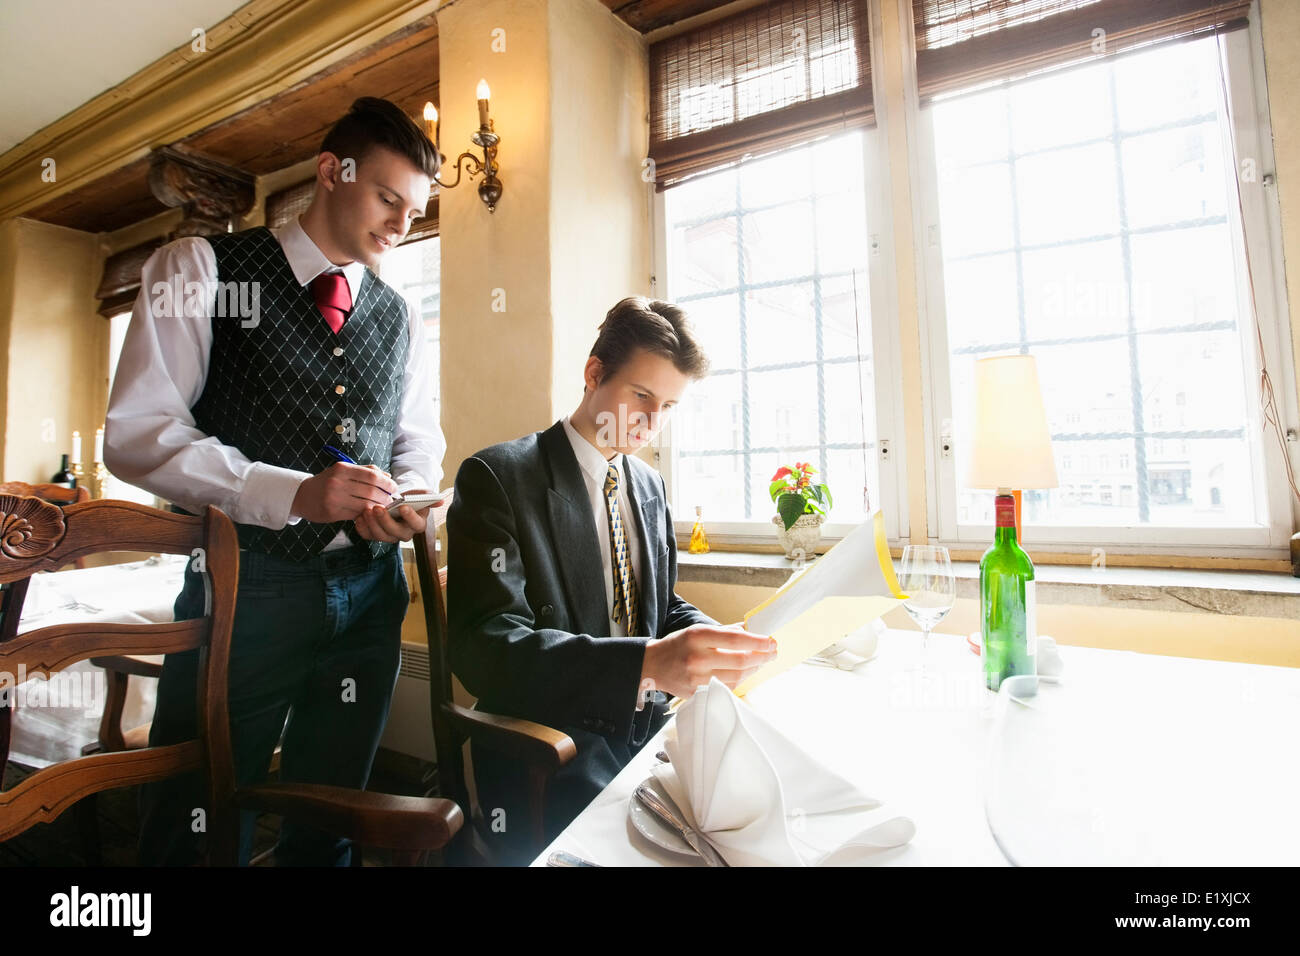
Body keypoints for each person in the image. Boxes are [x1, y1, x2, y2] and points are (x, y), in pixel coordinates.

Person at [105, 96, 445, 866]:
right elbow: (138, 433)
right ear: (332, 171)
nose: (401, 225)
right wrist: (290, 492)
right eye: (389, 199)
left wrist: (412, 493)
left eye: (414, 210)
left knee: (330, 818)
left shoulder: (401, 314)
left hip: (370, 594)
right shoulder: (201, 268)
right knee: (194, 814)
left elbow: (416, 435)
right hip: (243, 587)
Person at [447, 296, 775, 863]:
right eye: (642, 397)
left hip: (650, 738)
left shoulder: (648, 486)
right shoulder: (499, 477)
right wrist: (646, 665)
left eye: (669, 406)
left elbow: (659, 608)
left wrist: (716, 640)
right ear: (594, 373)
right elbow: (484, 648)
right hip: (555, 750)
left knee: (760, 817)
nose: (651, 424)